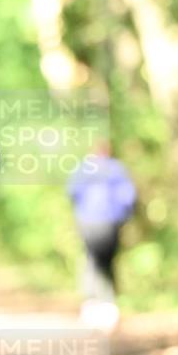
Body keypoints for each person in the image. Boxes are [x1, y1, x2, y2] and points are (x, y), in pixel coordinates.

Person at [67, 142, 136, 331]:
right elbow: (128, 197)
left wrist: (81, 212)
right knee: (107, 262)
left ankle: (91, 306)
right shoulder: (117, 169)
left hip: (88, 222)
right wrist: (124, 217)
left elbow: (72, 193)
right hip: (110, 223)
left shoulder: (83, 169)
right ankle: (109, 307)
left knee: (91, 261)